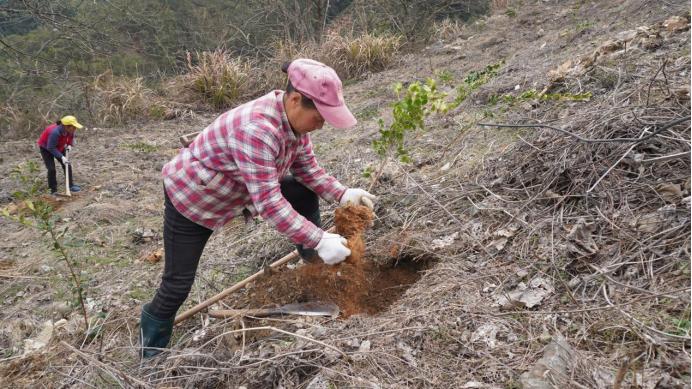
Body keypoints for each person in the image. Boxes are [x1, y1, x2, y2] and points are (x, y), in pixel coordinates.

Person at [140, 59, 377, 358]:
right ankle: (151, 348)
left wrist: (343, 193)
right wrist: (318, 236)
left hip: (236, 189)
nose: (322, 124)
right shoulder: (257, 130)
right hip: (194, 198)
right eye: (320, 116)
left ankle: (315, 264)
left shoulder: (295, 127)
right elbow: (268, 202)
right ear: (294, 100)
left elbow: (308, 172)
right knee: (178, 284)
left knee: (301, 188)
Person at [36, 115, 83, 195]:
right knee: (51, 169)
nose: (75, 129)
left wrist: (69, 144)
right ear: (66, 126)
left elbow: (70, 137)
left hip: (58, 146)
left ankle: (70, 185)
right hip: (46, 148)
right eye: (73, 127)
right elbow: (51, 148)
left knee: (67, 165)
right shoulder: (55, 132)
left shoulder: (70, 130)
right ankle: (53, 190)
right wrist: (61, 157)